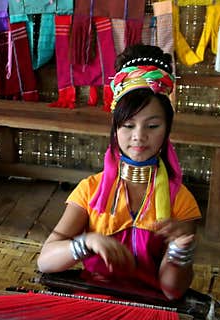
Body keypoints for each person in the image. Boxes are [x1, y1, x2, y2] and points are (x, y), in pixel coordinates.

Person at [37, 44, 201, 301]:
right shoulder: (90, 191)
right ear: (115, 129)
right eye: (128, 125)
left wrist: (179, 252)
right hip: (91, 300)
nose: (139, 137)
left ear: (167, 130)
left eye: (153, 125)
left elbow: (172, 291)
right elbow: (45, 262)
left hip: (151, 310)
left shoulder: (180, 200)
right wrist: (87, 242)